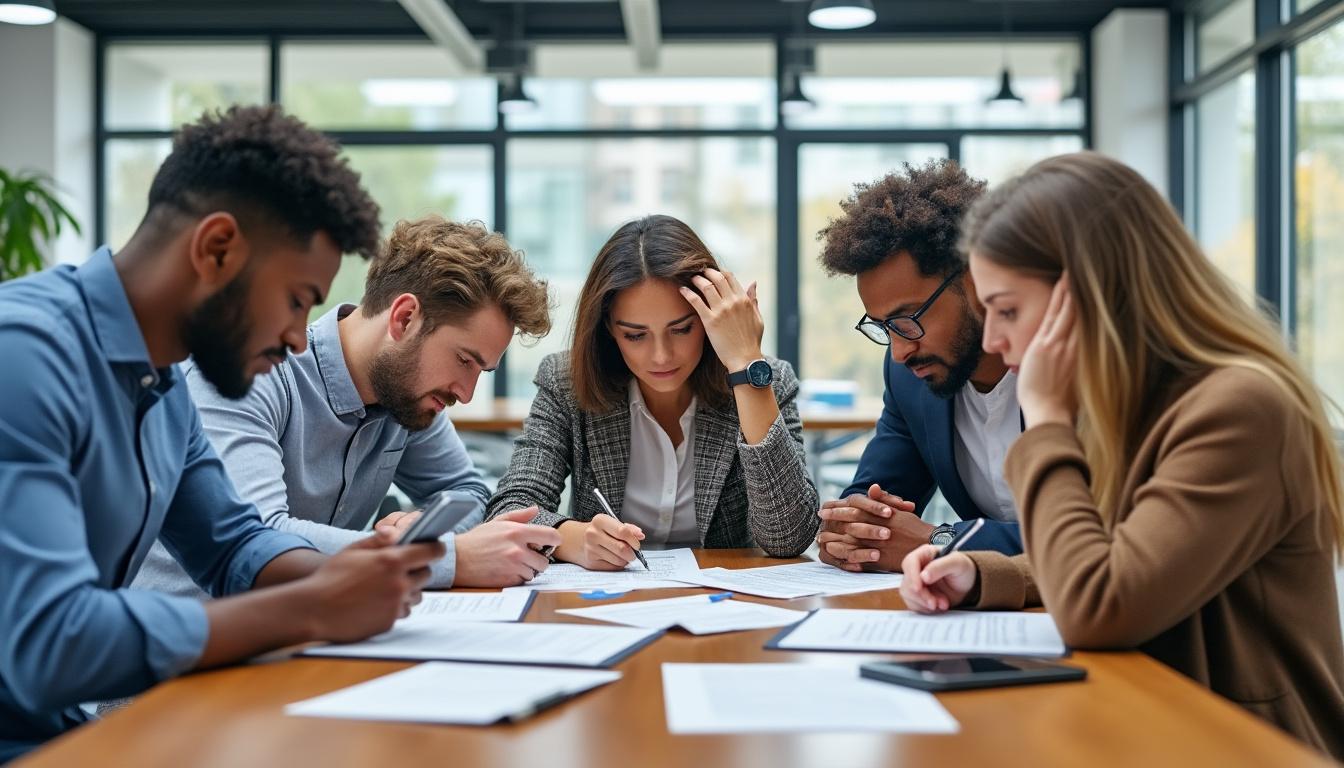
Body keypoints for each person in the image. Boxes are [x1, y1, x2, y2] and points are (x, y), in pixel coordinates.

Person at [0, 105, 445, 762]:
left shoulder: (164, 384)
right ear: (216, 249)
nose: (299, 338)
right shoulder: (25, 357)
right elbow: (51, 644)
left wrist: (354, 575)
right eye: (297, 299)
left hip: (61, 731)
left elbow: (232, 547)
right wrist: (314, 607)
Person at [900, 151, 1344, 758]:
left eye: (1007, 310)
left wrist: (1048, 424)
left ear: (1085, 295)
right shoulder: (1130, 402)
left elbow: (1101, 606)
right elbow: (1126, 557)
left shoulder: (1239, 408)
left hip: (1251, 746)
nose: (996, 341)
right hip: (1159, 721)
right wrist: (984, 574)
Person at [132, 215, 561, 597]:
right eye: (464, 360)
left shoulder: (409, 398)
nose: (465, 393)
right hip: (180, 658)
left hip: (300, 636)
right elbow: (259, 535)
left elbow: (468, 492)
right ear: (404, 318)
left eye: (480, 371)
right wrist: (449, 558)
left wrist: (423, 529)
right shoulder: (253, 372)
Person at [485, 214, 819, 567]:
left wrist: (745, 364)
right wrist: (572, 538)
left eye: (681, 330)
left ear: (709, 320)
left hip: (726, 607)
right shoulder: (564, 382)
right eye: (635, 335)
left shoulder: (766, 381)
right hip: (605, 607)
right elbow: (509, 510)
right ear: (609, 330)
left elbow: (789, 537)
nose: (661, 356)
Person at [813, 159, 1023, 574]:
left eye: (908, 319)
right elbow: (871, 506)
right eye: (883, 328)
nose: (898, 352)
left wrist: (940, 541)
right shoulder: (911, 380)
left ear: (975, 279)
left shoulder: (1073, 366)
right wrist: (851, 531)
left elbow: (1099, 534)